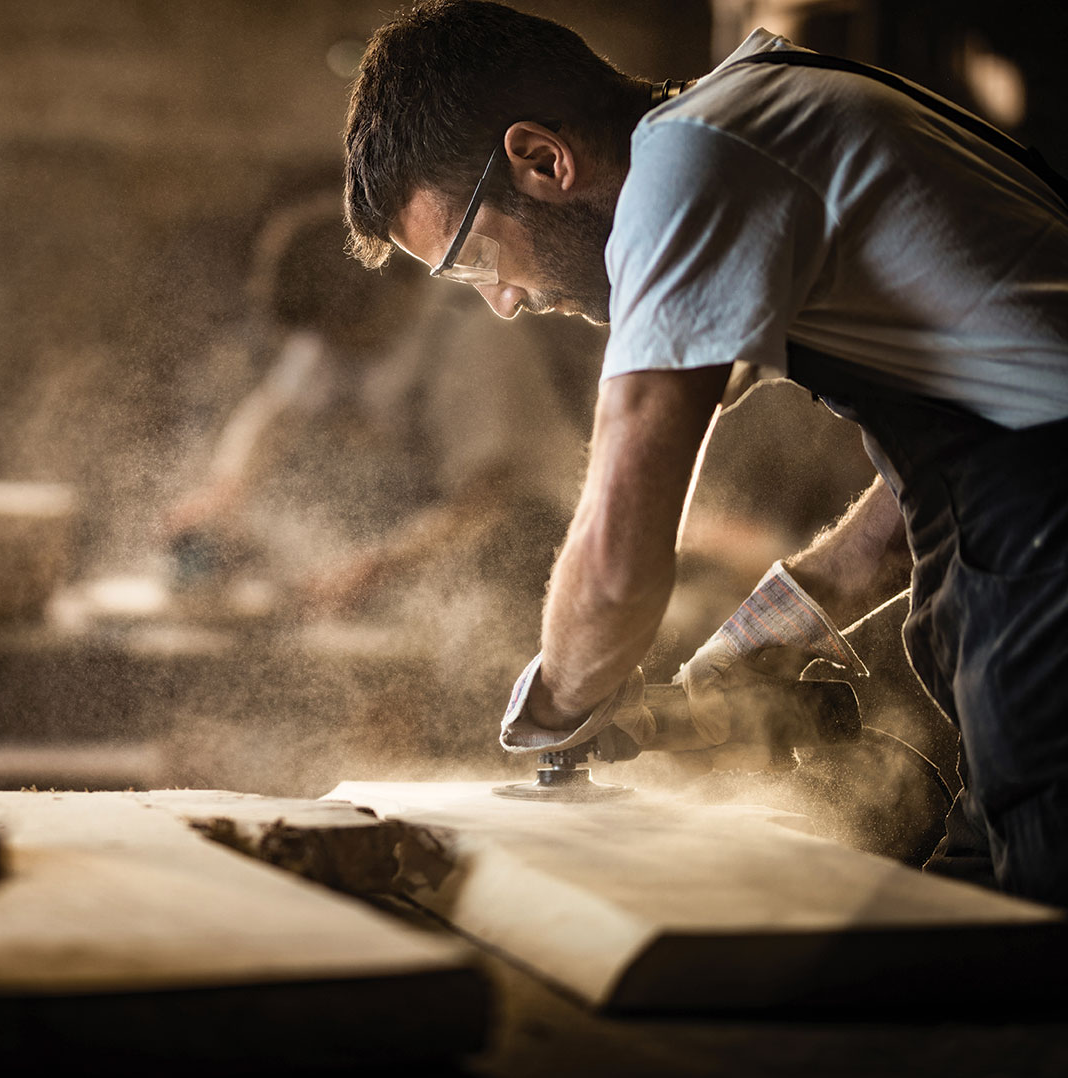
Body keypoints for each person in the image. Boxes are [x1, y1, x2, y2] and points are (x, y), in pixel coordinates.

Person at [342, 0, 1068, 903]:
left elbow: (616, 565)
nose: (504, 302)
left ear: (542, 160)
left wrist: (558, 709)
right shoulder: (757, 116)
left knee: (1027, 951)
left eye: (474, 259)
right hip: (1034, 534)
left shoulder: (689, 162)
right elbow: (971, 452)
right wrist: (787, 620)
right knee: (989, 915)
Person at [164, 191, 587, 683]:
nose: (329, 354)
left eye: (342, 337)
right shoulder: (341, 326)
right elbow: (274, 414)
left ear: (383, 299)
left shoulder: (475, 337)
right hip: (439, 536)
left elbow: (488, 500)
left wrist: (376, 567)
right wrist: (225, 490)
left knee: (486, 672)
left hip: (537, 538)